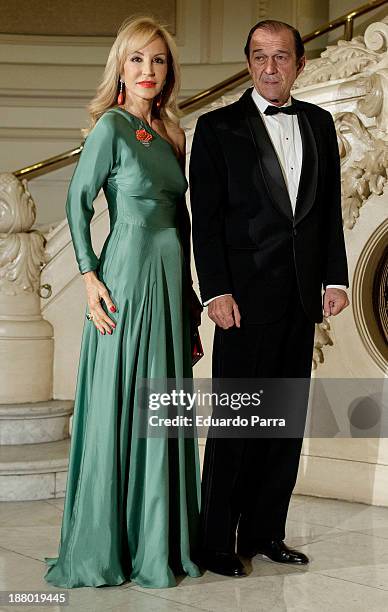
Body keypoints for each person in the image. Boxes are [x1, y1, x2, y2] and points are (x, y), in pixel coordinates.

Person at [44, 16, 202, 589]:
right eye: (137, 59)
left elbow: (181, 226)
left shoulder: (175, 135)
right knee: (118, 405)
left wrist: (188, 306)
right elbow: (76, 201)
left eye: (157, 61)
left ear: (169, 71)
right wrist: (88, 278)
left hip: (167, 281)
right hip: (125, 278)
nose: (148, 71)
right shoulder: (109, 128)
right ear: (120, 66)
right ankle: (105, 546)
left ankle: (157, 544)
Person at [189, 19, 349, 577]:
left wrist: (336, 278)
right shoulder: (216, 128)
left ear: (300, 64)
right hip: (243, 302)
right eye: (260, 56)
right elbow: (203, 223)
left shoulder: (321, 123)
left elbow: (326, 209)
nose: (270, 67)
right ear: (249, 62)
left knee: (283, 424)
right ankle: (213, 542)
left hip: (302, 300)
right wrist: (216, 292)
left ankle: (264, 534)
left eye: (282, 57)